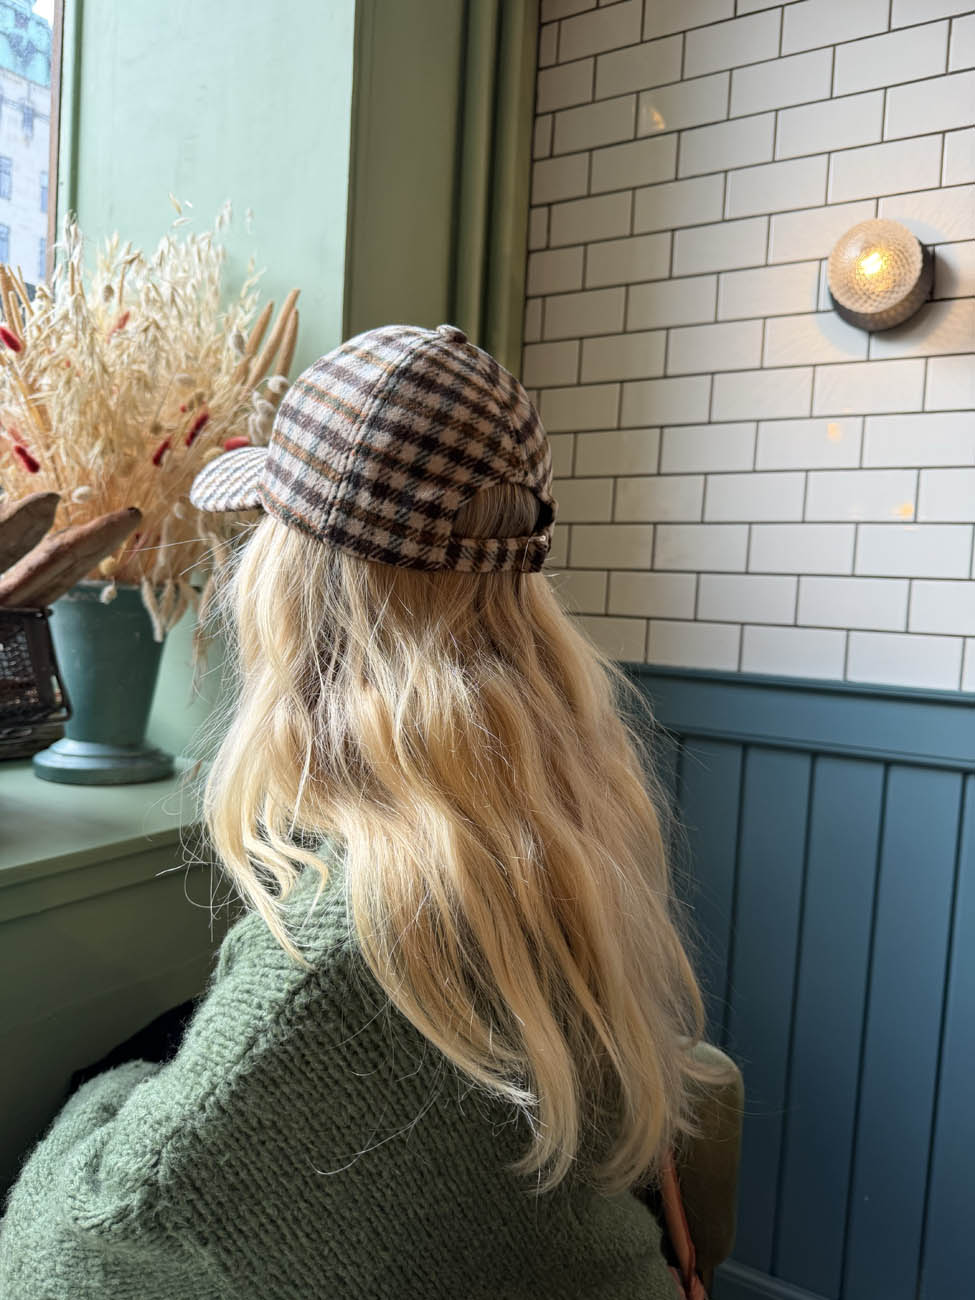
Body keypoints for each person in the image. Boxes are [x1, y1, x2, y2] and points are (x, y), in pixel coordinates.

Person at [0, 323, 720, 1298]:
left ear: (298, 584)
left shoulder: (349, 939)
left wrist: (109, 1095)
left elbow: (80, 1251)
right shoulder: (564, 835)